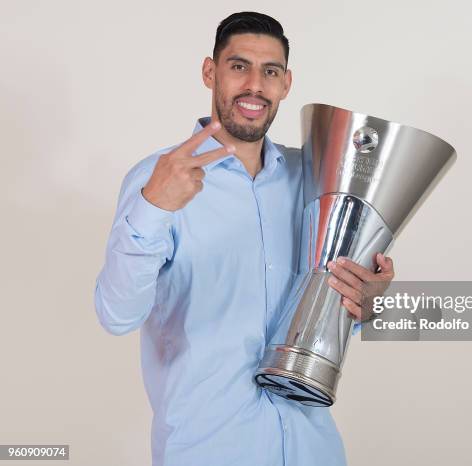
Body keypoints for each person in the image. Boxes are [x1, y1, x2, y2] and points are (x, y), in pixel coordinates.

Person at [94, 11, 394, 466]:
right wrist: (154, 206)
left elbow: (327, 300)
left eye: (270, 71)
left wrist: (366, 303)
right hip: (207, 450)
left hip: (313, 450)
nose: (255, 85)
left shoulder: (315, 177)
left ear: (286, 83)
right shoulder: (157, 179)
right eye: (239, 66)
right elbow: (116, 315)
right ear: (209, 72)